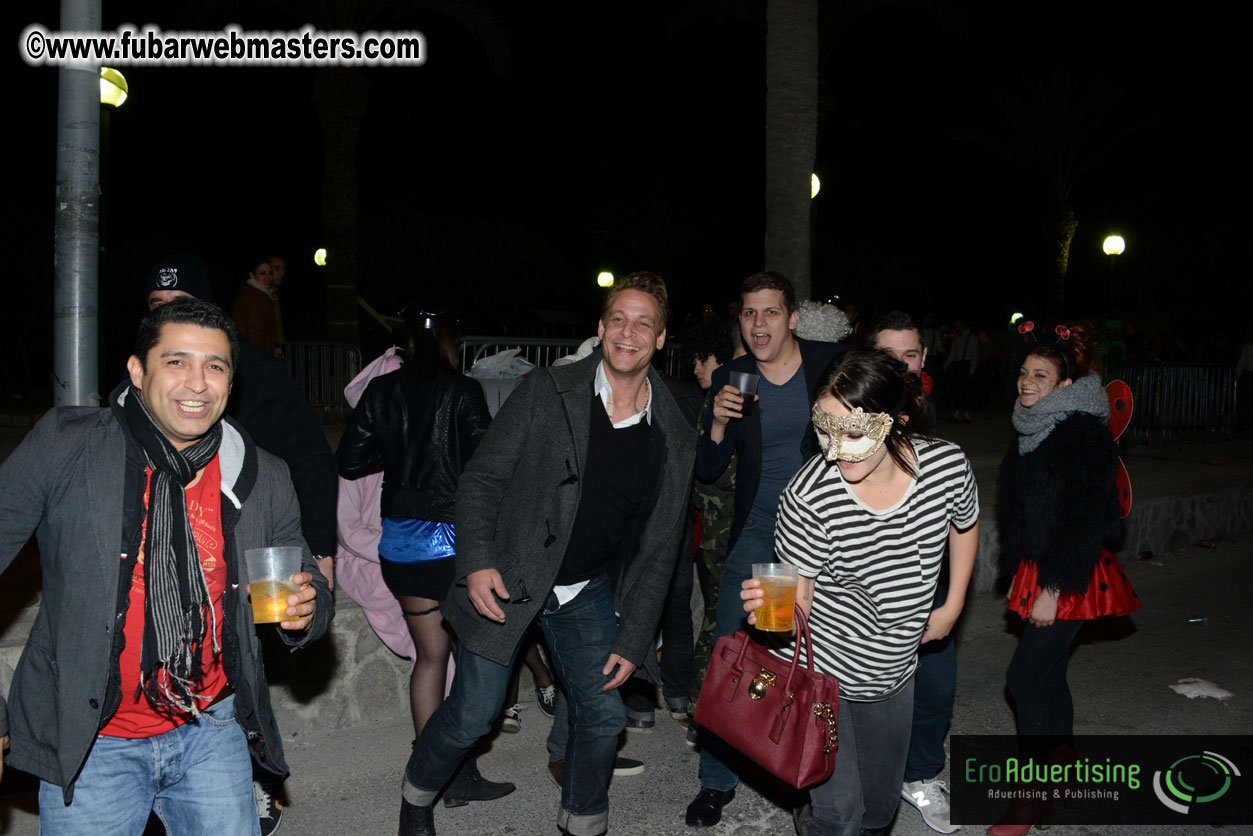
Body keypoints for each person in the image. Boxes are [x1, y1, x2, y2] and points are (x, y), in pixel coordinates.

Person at [0, 298, 333, 835]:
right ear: (137, 370)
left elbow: (304, 573)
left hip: (212, 728)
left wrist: (308, 609)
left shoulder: (261, 473)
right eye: (176, 362)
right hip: (95, 742)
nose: (197, 383)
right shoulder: (68, 446)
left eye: (215, 366)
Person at [398, 272, 698, 836]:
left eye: (643, 324)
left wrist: (634, 637)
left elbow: (661, 547)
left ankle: (583, 824)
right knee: (472, 715)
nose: (627, 333)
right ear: (601, 327)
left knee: (604, 716)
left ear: (661, 338)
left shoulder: (674, 434)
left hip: (584, 589)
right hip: (508, 580)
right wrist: (478, 561)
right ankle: (416, 795)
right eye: (617, 320)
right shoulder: (547, 390)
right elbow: (481, 480)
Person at [740, 347, 979, 836]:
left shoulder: (947, 467)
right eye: (824, 430)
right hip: (824, 675)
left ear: (898, 421)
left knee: (877, 809)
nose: (834, 450)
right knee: (840, 816)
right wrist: (771, 614)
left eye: (853, 433)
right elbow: (796, 604)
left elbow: (965, 523)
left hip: (894, 669)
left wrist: (953, 604)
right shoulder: (809, 495)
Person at [145, 254, 339, 835]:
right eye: (157, 311)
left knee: (240, 668)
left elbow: (307, 459)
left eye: (183, 309)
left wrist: (320, 552)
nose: (194, 382)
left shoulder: (253, 374)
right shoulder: (140, 389)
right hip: (160, 592)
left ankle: (249, 778)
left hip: (242, 562)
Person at [336, 308, 515, 808]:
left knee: (431, 658)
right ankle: (458, 775)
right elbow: (490, 463)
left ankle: (430, 774)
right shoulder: (462, 391)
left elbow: (350, 459)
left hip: (400, 545)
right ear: (450, 340)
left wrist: (397, 453)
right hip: (455, 546)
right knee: (470, 661)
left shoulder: (382, 391)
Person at [686, 270, 845, 827]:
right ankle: (716, 780)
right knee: (736, 645)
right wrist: (717, 427)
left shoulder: (831, 364)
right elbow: (705, 470)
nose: (759, 324)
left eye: (770, 312)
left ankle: (812, 769)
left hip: (826, 530)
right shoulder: (733, 375)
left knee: (820, 651)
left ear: (792, 317)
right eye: (750, 313)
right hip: (761, 532)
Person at [991, 323, 1138, 836]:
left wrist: (1051, 589)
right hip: (1044, 564)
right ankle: (1065, 772)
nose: (1027, 383)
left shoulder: (1078, 432)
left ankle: (1033, 798)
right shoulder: (1035, 424)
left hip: (1068, 570)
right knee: (1049, 675)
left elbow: (1087, 518)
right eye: (1025, 373)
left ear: (1065, 384)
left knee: (1024, 678)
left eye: (1041, 376)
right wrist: (1023, 568)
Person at [863, 311, 953, 832]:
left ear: (923, 358)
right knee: (863, 689)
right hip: (857, 579)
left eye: (911, 354)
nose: (901, 365)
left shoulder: (925, 410)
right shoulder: (841, 410)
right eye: (889, 355)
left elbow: (957, 513)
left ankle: (920, 775)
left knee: (936, 684)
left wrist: (953, 599)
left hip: (924, 575)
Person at [233, 257, 284, 357]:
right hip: (256, 356)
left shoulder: (259, 294)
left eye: (270, 273)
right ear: (252, 275)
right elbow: (255, 331)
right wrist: (267, 353)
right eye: (262, 273)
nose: (268, 277)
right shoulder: (255, 297)